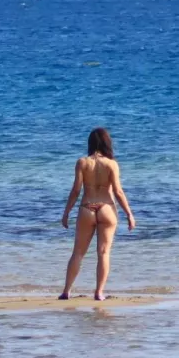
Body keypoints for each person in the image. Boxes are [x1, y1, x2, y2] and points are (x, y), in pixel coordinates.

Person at [60, 127, 137, 301]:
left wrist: (66, 213)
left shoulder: (82, 162)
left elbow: (75, 191)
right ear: (107, 143)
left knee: (78, 252)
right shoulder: (111, 164)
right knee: (103, 253)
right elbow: (118, 191)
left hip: (87, 207)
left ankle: (66, 291)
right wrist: (129, 215)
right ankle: (99, 292)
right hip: (107, 208)